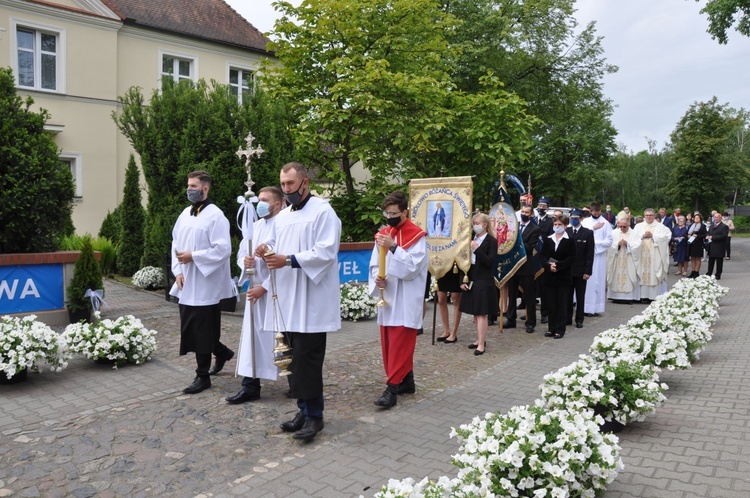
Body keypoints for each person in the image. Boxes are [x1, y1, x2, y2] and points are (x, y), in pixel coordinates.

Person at [263, 162, 341, 442]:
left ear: (305, 183)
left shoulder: (323, 211)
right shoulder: (283, 216)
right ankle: (302, 410)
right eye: (283, 185)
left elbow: (326, 251)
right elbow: (273, 244)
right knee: (291, 359)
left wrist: (289, 260)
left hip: (311, 301)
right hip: (288, 299)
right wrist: (266, 249)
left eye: (290, 185)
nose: (286, 190)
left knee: (308, 360)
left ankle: (315, 417)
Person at [170, 170, 236, 395]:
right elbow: (175, 243)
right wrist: (178, 270)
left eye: (193, 186)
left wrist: (194, 256)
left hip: (206, 283)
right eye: (188, 186)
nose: (189, 190)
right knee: (192, 327)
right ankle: (223, 352)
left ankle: (202, 376)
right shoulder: (185, 214)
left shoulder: (216, 216)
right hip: (187, 281)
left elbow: (223, 249)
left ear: (205, 188)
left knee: (203, 328)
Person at [369, 191, 428, 407]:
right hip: (389, 296)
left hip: (406, 298)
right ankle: (407, 381)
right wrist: (378, 278)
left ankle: (392, 389)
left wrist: (393, 246)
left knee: (400, 344)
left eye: (394, 213)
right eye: (387, 213)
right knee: (389, 342)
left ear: (405, 212)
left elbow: (412, 268)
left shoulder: (417, 237)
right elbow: (375, 263)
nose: (389, 217)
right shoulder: (383, 233)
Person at [226, 186, 283, 404]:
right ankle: (250, 384)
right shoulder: (254, 227)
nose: (259, 204)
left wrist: (265, 287)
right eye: (258, 199)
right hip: (254, 289)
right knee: (252, 338)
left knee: (283, 338)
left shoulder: (284, 226)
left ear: (277, 204)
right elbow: (242, 252)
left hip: (276, 291)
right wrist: (245, 263)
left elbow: (285, 260)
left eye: (264, 200)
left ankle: (295, 381)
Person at [459, 213, 498, 355]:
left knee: (482, 313)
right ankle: (478, 338)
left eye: (477, 222)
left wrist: (477, 249)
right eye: (474, 223)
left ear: (485, 224)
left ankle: (481, 343)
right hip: (472, 277)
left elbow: (489, 261)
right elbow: (464, 261)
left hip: (484, 278)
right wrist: (463, 279)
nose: (475, 225)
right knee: (475, 312)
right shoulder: (471, 239)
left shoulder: (491, 241)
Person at [505, 204, 540, 333]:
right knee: (512, 293)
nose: (524, 214)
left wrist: (516, 240)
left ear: (531, 214)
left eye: (527, 212)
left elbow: (530, 247)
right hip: (513, 265)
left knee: (529, 295)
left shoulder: (535, 229)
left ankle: (530, 322)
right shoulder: (514, 227)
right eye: (523, 211)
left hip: (526, 265)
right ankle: (511, 319)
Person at [540, 215, 575, 339]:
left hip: (563, 277)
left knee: (561, 304)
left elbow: (571, 258)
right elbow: (542, 256)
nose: (557, 227)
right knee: (551, 303)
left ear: (565, 226)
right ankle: (551, 328)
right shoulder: (548, 239)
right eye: (555, 224)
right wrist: (548, 266)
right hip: (549, 276)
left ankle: (560, 329)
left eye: (560, 225)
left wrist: (558, 265)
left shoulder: (569, 240)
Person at [631, 208, 672, 300]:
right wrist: (642, 236)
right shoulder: (638, 227)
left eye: (650, 215)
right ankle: (642, 296)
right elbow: (633, 238)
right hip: (642, 255)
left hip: (655, 255)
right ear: (644, 216)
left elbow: (667, 237)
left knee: (654, 273)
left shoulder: (661, 227)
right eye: (647, 215)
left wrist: (653, 236)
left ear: (654, 216)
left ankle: (654, 296)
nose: (648, 217)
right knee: (642, 272)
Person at [580, 202, 613, 316]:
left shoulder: (606, 223)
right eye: (594, 211)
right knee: (586, 282)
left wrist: (594, 245)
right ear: (591, 211)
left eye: (598, 211)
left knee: (597, 281)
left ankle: (596, 308)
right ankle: (584, 307)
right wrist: (593, 228)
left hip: (598, 256)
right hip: (585, 255)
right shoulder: (585, 222)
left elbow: (609, 241)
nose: (596, 213)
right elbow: (581, 235)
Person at [566, 209, 594, 328]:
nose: (573, 220)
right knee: (567, 296)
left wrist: (587, 271)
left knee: (580, 296)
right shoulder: (566, 231)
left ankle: (579, 319)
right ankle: (567, 318)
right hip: (567, 270)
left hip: (581, 270)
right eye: (572, 218)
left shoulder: (587, 233)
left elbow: (590, 254)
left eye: (576, 218)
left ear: (581, 219)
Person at [606, 216, 641, 303]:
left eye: (624, 226)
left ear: (629, 224)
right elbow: (609, 245)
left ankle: (629, 297)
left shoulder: (634, 233)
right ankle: (615, 296)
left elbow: (638, 245)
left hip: (629, 259)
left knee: (629, 275)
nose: (622, 228)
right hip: (616, 259)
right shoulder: (613, 233)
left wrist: (628, 244)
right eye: (620, 226)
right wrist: (617, 244)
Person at [435, 270, 463, 343]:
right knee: (441, 299)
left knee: (455, 299)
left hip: (455, 269)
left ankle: (453, 333)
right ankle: (446, 330)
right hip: (442, 268)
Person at [705, 212, 729, 280]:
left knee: (719, 263)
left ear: (720, 218)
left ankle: (718, 275)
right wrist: (707, 235)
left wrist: (712, 237)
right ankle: (709, 273)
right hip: (711, 246)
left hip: (719, 247)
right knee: (710, 262)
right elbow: (708, 232)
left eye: (717, 217)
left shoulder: (724, 226)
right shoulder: (712, 225)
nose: (715, 219)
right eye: (715, 217)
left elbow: (723, 236)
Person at [686, 213, 707, 278]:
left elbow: (705, 235)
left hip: (698, 244)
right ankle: (692, 271)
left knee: (698, 258)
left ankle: (696, 271)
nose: (696, 219)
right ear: (693, 219)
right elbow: (686, 233)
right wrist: (688, 236)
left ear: (700, 219)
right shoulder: (691, 226)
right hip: (691, 244)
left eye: (698, 218)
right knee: (692, 258)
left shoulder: (702, 226)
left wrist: (697, 236)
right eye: (695, 218)